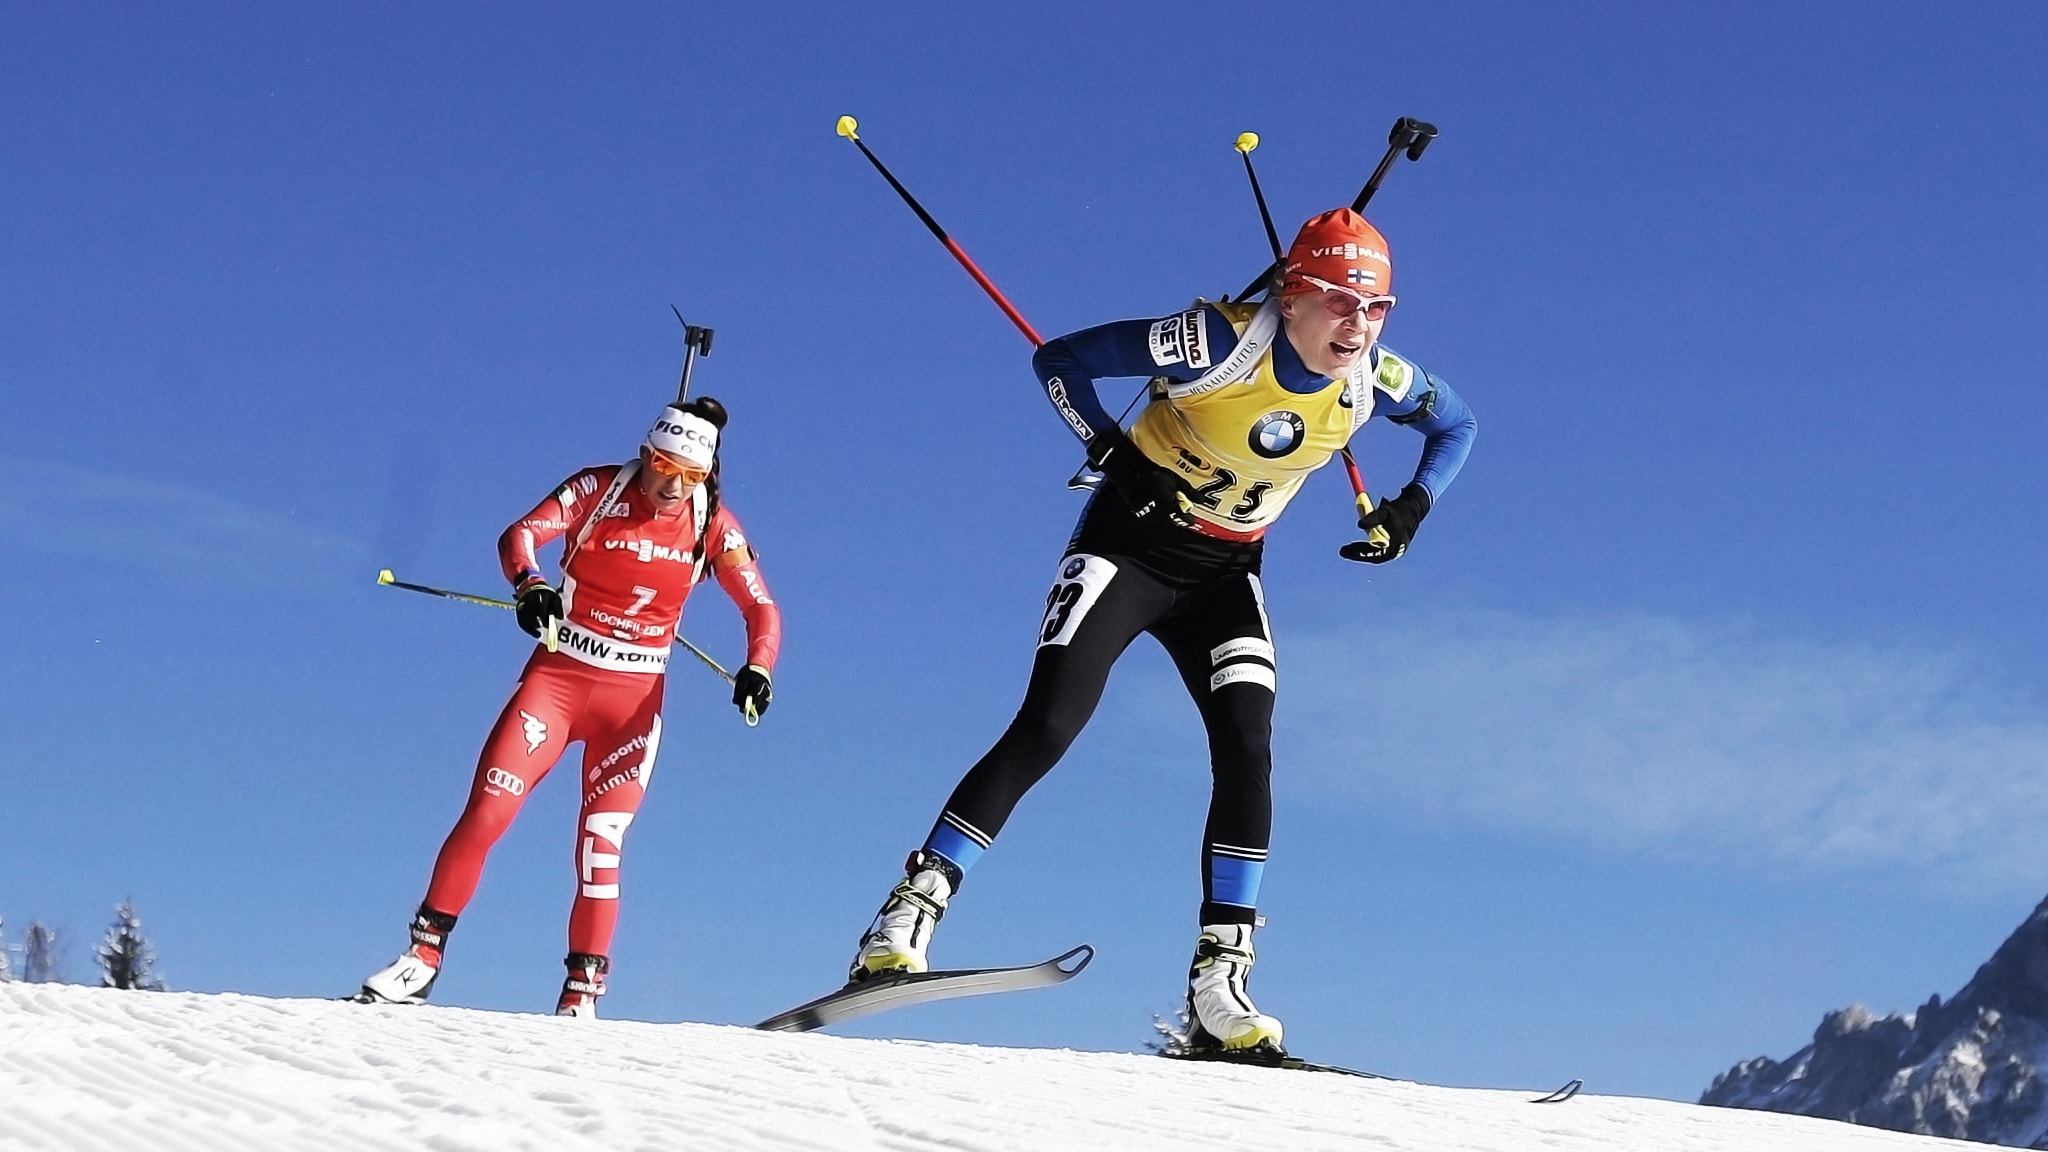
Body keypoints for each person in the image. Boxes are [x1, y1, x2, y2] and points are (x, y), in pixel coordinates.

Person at [847, 208, 1476, 1055]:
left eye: (1376, 308)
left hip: (1223, 574)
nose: (1357, 326)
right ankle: (908, 914)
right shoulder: (1214, 345)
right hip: (1128, 548)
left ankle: (1220, 982)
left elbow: (1457, 424)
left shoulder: (1375, 378)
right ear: (1290, 299)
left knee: (1249, 744)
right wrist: (1106, 446)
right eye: (1336, 301)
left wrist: (1407, 512)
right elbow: (1060, 360)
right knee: (1052, 723)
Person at [357, 396, 781, 1017]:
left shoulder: (714, 522)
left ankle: (582, 994)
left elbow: (760, 608)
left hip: (632, 705)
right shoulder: (599, 488)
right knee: (488, 811)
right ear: (645, 453)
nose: (672, 484)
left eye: (690, 475)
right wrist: (530, 586)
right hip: (558, 683)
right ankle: (422, 958)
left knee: (600, 845)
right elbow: (521, 534)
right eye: (664, 464)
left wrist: (757, 668)